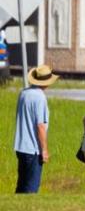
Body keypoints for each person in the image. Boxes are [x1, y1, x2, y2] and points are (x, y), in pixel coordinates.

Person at [14, 64, 57, 193]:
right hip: (33, 149)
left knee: (21, 184)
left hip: (20, 146)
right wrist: (44, 150)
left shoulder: (23, 93)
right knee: (31, 187)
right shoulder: (40, 97)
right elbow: (40, 126)